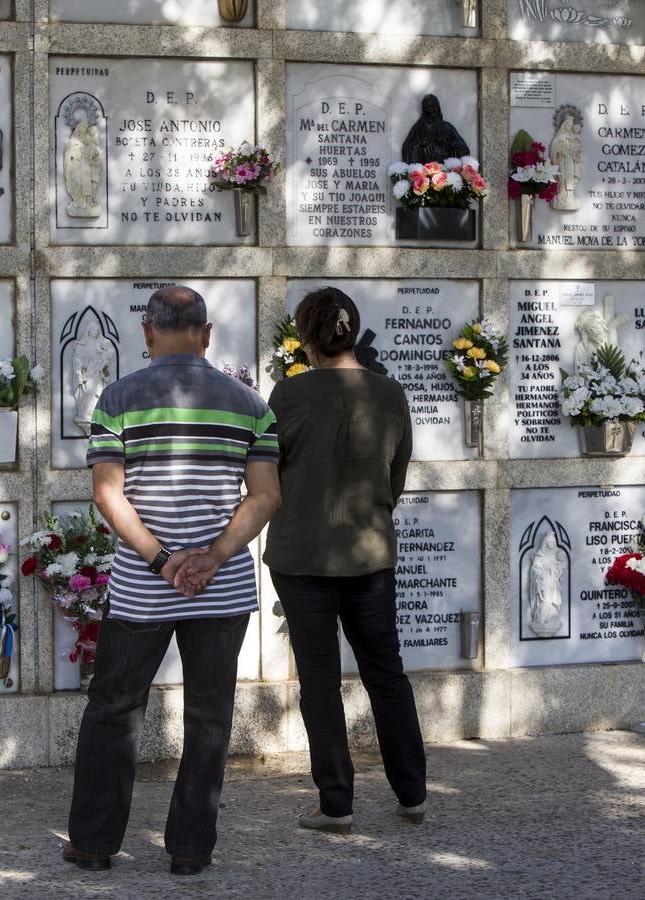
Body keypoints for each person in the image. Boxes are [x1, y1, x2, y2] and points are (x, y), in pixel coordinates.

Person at [63, 285, 280, 877]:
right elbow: (265, 496)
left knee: (114, 707)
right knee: (209, 715)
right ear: (206, 334)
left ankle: (92, 842)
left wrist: (162, 561)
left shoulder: (118, 397)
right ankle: (189, 849)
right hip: (222, 588)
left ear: (147, 332)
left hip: (141, 586)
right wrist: (212, 556)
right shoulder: (250, 404)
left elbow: (108, 494)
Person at [263, 286, 426, 835]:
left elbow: (267, 472)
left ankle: (337, 804)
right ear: (351, 331)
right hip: (370, 555)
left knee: (319, 680)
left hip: (303, 558)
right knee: (386, 674)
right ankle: (413, 794)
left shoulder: (288, 396)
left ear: (307, 337)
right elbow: (395, 476)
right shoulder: (390, 393)